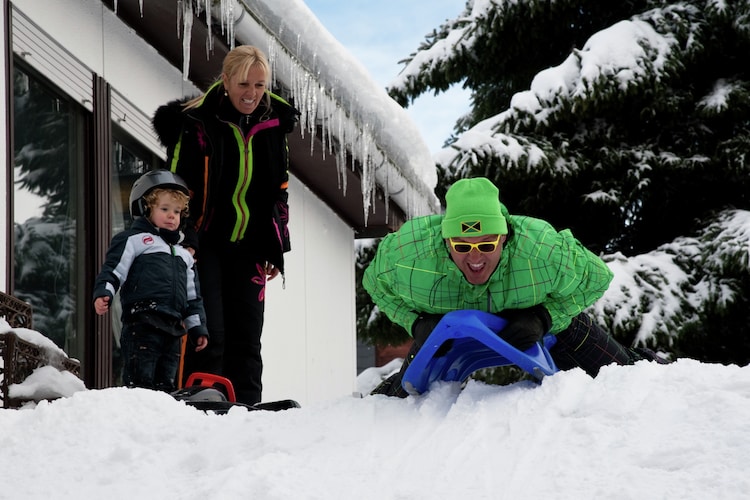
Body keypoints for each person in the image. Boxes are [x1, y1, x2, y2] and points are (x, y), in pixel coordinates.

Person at [363, 177, 666, 397]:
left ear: (504, 237)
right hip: (446, 331)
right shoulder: (406, 257)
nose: (475, 256)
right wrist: (415, 323)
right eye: (461, 245)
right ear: (445, 242)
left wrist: (545, 318)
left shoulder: (543, 251)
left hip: (537, 323)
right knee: (400, 399)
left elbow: (597, 277)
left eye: (486, 243)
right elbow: (374, 284)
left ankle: (669, 372)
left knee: (627, 375)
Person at [151, 45, 299, 405]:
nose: (252, 94)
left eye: (260, 86)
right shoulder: (197, 122)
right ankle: (202, 396)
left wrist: (273, 247)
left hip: (250, 245)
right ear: (227, 80)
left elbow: (279, 191)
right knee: (210, 329)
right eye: (244, 84)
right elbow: (175, 187)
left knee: (247, 333)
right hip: (204, 242)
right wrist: (182, 240)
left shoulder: (274, 123)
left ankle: (246, 406)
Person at [93, 169, 209, 392]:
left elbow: (193, 297)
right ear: (145, 208)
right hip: (142, 322)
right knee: (141, 383)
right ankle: (137, 419)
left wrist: (198, 328)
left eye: (177, 211)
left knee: (166, 385)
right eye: (164, 209)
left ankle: (160, 421)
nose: (171, 216)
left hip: (173, 329)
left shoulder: (185, 254)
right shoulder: (134, 240)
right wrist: (103, 292)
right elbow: (113, 270)